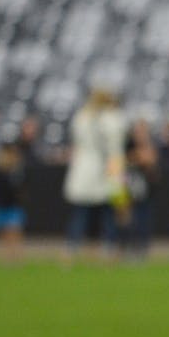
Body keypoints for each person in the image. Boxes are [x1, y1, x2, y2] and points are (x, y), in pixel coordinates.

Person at [63, 86, 127, 263]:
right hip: (106, 169)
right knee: (107, 213)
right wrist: (118, 180)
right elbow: (116, 151)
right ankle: (109, 250)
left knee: (81, 213)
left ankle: (71, 250)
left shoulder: (81, 117)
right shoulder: (112, 118)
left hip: (84, 169)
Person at [122, 117, 160, 261]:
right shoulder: (129, 144)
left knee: (144, 217)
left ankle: (143, 248)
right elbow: (127, 160)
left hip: (146, 188)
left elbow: (150, 160)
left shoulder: (150, 143)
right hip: (130, 185)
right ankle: (130, 247)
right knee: (129, 218)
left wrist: (140, 157)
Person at [0, 139, 26, 264]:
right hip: (2, 206)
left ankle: (16, 256)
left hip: (13, 206)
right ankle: (6, 257)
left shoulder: (16, 171)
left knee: (14, 231)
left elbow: (21, 188)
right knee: (4, 232)